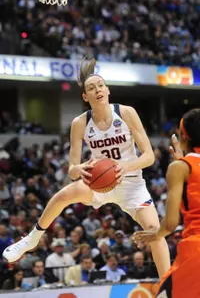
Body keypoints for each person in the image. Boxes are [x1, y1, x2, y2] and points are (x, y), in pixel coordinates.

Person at [3, 57, 170, 278]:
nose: (97, 90)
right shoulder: (80, 123)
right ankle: (31, 239)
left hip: (131, 183)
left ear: (108, 90)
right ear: (85, 96)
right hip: (100, 182)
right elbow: (72, 168)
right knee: (63, 195)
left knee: (155, 233)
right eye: (91, 88)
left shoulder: (126, 113)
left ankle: (169, 284)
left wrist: (125, 166)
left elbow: (149, 156)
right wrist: (78, 168)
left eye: (101, 85)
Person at [133, 108, 200, 298]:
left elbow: (171, 223)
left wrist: (156, 235)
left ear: (183, 138)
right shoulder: (184, 165)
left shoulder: (179, 168)